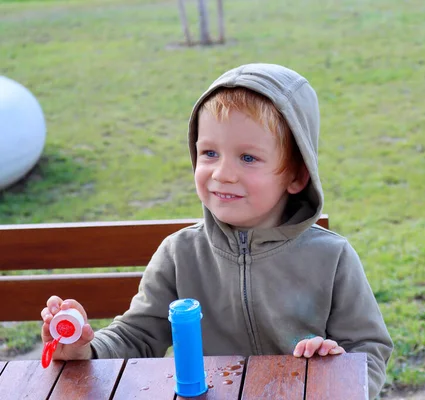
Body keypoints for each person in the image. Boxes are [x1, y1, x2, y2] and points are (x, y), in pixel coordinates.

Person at [41, 63, 393, 399]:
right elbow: (138, 334)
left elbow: (369, 349)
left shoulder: (331, 258)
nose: (223, 173)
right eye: (210, 153)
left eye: (248, 158)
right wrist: (84, 349)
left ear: (296, 176)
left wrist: (335, 371)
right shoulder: (180, 254)